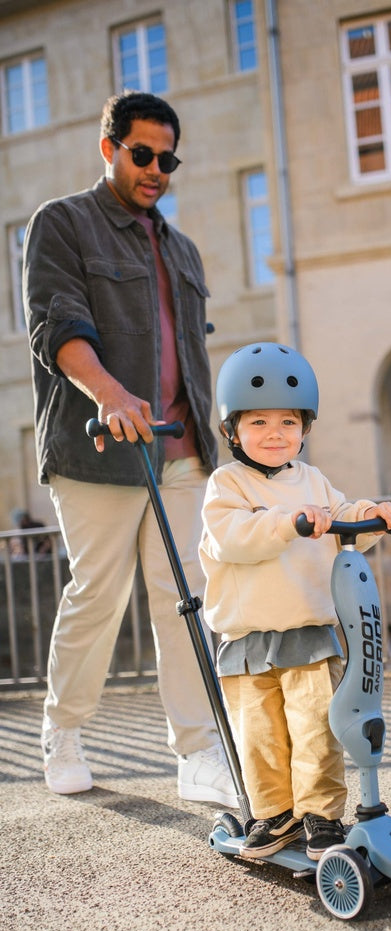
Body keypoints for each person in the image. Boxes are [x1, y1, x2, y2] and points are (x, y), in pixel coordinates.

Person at [23, 90, 237, 807]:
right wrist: (110, 394)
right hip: (98, 450)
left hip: (181, 449)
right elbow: (57, 326)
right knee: (99, 594)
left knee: (187, 597)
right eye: (142, 154)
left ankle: (198, 750)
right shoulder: (63, 223)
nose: (155, 170)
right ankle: (63, 731)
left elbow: (191, 355)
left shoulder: (181, 249)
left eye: (167, 160)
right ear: (108, 148)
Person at [199, 343, 391, 861]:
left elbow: (343, 517)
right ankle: (274, 815)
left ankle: (319, 815)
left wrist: (374, 513)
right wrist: (288, 522)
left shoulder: (312, 481)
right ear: (232, 430)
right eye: (259, 421)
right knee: (260, 736)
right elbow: (232, 538)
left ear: (305, 428)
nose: (275, 433)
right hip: (246, 638)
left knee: (315, 728)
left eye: (288, 422)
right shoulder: (227, 484)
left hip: (308, 633)